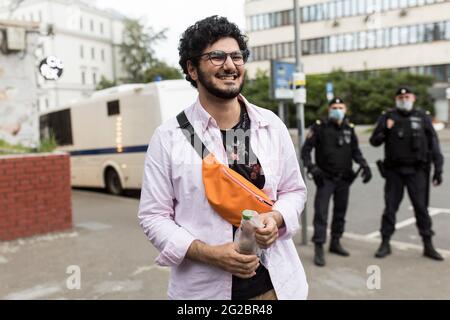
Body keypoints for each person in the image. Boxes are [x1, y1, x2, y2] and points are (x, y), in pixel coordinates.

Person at [138, 16, 308, 300]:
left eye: (236, 56)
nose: (229, 65)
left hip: (276, 287)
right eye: (216, 57)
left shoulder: (270, 124)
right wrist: (210, 254)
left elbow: (294, 191)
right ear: (192, 69)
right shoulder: (169, 137)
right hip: (204, 293)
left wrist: (276, 217)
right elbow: (153, 217)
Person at [370, 86, 444, 261]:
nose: (404, 99)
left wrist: (438, 169)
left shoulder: (423, 117)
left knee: (421, 208)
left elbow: (434, 144)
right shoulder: (387, 117)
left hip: (417, 172)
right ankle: (385, 242)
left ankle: (428, 244)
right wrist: (386, 130)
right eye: (401, 96)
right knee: (390, 209)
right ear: (396, 99)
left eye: (407, 96)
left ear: (414, 98)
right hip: (394, 172)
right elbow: (374, 141)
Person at [301, 98, 372, 267]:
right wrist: (312, 168)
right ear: (329, 109)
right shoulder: (319, 127)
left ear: (345, 109)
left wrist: (364, 165)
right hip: (325, 178)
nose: (337, 110)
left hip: (344, 179)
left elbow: (355, 151)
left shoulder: (349, 128)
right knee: (321, 213)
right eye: (334, 107)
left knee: (340, 212)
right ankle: (319, 246)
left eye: (340, 107)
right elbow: (306, 151)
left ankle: (335, 242)